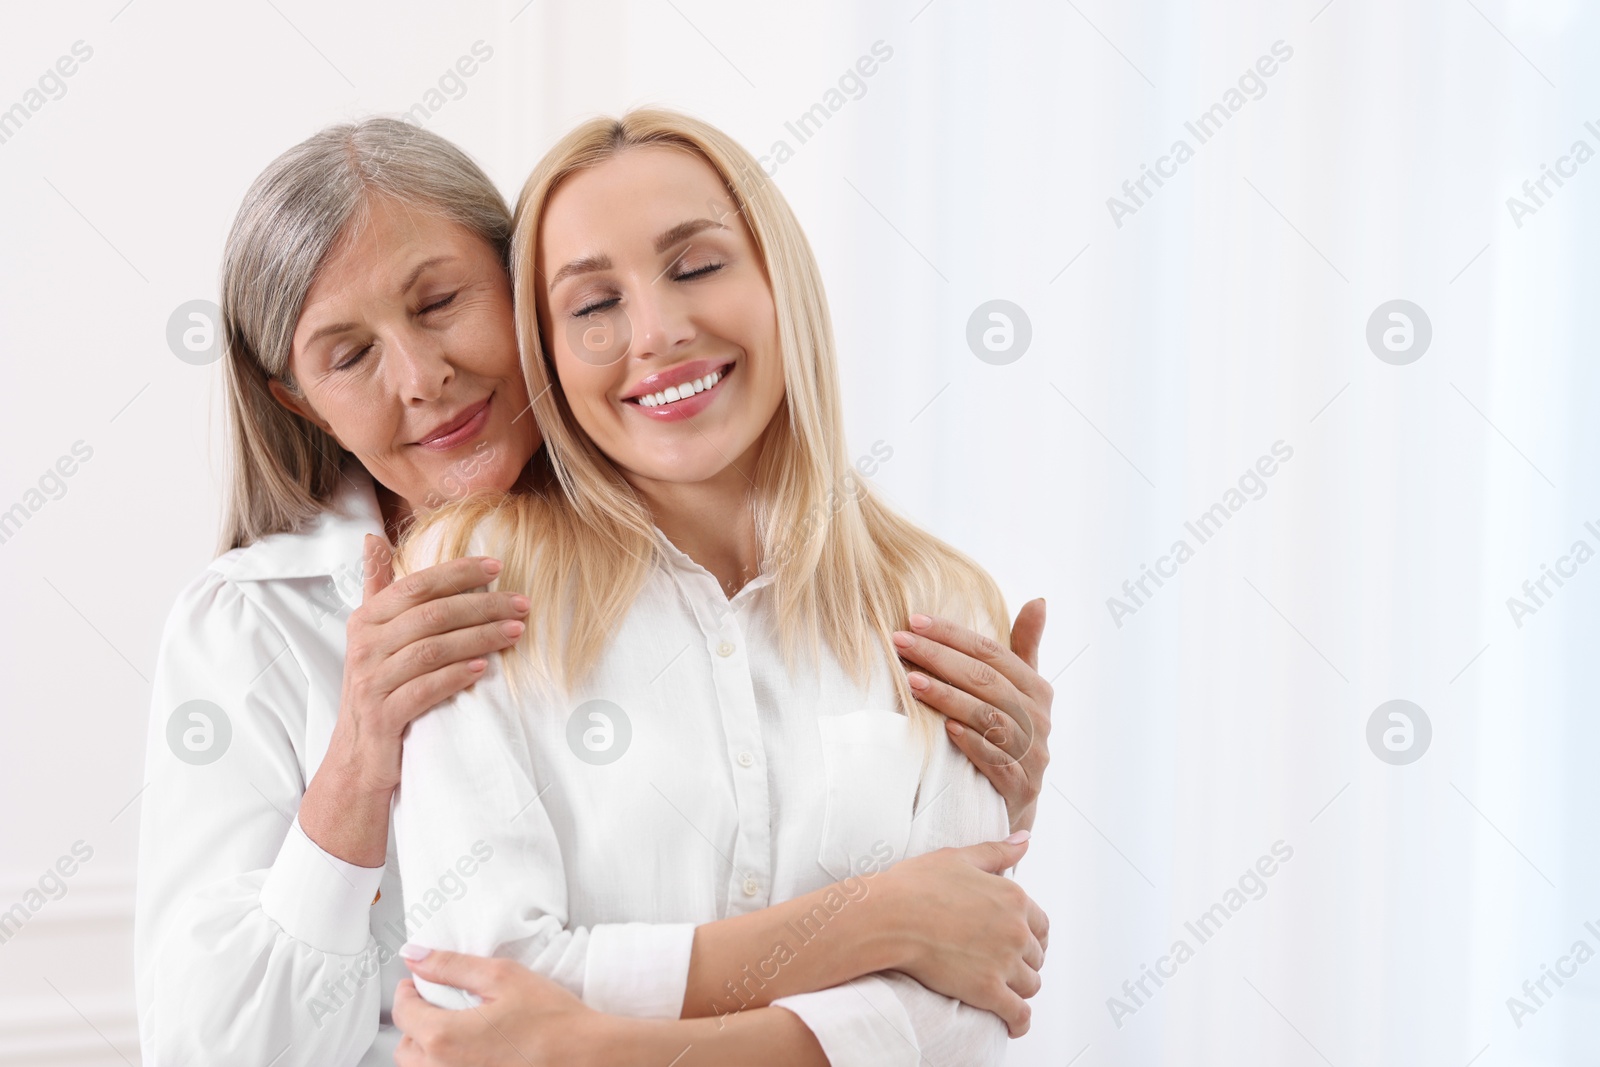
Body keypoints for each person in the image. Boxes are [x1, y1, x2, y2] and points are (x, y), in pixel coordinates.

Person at [135, 118, 1056, 1066]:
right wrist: (357, 765)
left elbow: (966, 976)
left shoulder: (880, 585)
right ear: (297, 399)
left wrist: (981, 811)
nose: (423, 378)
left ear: (518, 296)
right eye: (348, 355)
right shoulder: (255, 623)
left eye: (443, 301)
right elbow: (230, 1046)